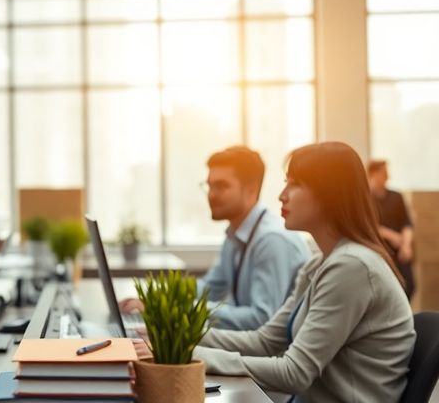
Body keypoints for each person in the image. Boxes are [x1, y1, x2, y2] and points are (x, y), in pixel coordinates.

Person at [186, 142, 415, 402]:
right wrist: (177, 337)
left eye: (294, 184)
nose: (282, 195)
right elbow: (264, 341)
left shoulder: (352, 266)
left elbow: (295, 372)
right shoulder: (320, 263)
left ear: (328, 194)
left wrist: (190, 354)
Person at [121, 146, 310, 330]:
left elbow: (261, 319)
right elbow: (210, 287)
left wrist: (174, 309)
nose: (211, 194)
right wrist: (155, 298)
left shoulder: (272, 240)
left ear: (251, 190)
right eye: (209, 186)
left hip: (269, 357)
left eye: (221, 186)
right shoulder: (235, 234)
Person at [367, 159, 416, 299]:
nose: (388, 176)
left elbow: (407, 223)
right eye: (384, 173)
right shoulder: (365, 198)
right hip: (379, 250)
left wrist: (406, 245)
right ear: (373, 174)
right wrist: (391, 236)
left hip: (399, 251)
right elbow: (367, 225)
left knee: (409, 285)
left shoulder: (396, 196)